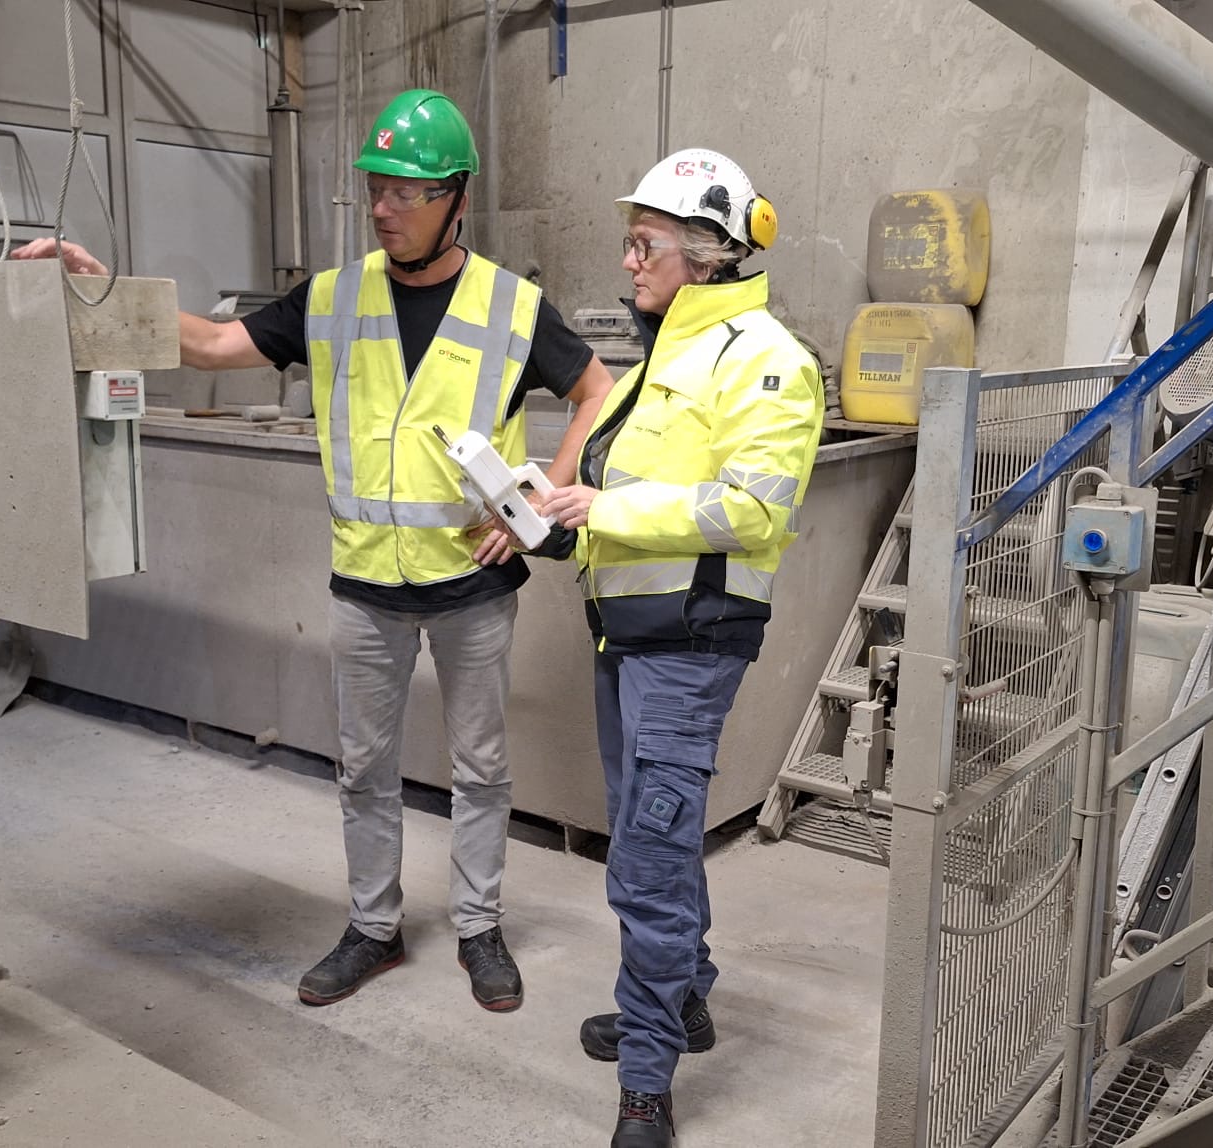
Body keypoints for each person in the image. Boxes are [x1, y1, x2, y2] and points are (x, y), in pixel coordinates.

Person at [15, 89, 613, 1013]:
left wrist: (539, 500)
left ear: (456, 197)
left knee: (483, 770)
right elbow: (212, 346)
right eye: (375, 188)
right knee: (364, 771)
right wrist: (96, 287)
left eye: (404, 193)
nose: (381, 207)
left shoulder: (514, 305)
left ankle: (479, 927)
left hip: (471, 587)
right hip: (365, 586)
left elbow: (596, 393)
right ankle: (373, 929)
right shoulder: (331, 299)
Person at [528, 149, 822, 1147]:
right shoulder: (657, 358)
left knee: (648, 859)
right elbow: (620, 488)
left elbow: (749, 507)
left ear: (706, 251)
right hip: (627, 634)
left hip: (690, 647)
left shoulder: (765, 357)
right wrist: (555, 514)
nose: (628, 260)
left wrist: (604, 503)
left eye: (644, 242)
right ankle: (685, 996)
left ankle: (648, 1075)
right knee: (652, 837)